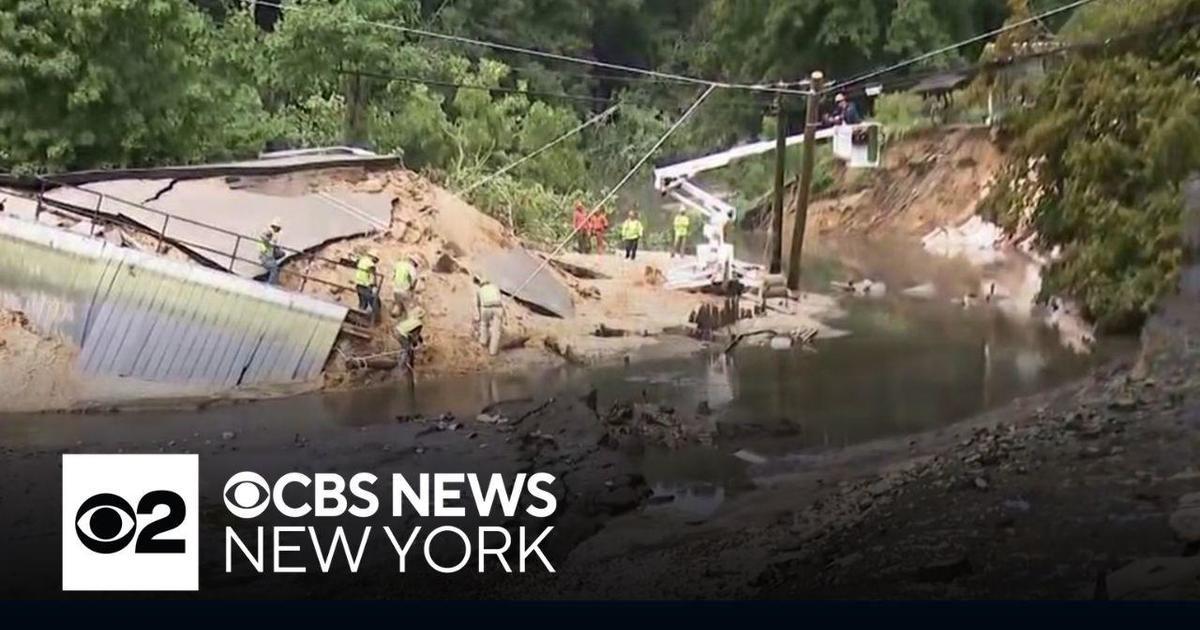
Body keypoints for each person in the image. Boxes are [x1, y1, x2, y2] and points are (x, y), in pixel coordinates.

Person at [475, 277, 504, 356]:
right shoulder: (495, 287)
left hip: (486, 308)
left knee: (484, 324)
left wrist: (480, 315)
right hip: (498, 307)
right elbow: (500, 298)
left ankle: (483, 342)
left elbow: (478, 304)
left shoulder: (479, 290)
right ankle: (493, 352)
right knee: (496, 331)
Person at [393, 306, 425, 374]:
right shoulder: (419, 324)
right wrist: (416, 344)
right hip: (401, 334)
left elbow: (414, 333)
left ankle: (403, 361)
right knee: (407, 350)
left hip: (397, 330)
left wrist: (420, 340)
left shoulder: (412, 319)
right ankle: (401, 366)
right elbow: (415, 336)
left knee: (406, 348)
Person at [391, 253, 420, 318]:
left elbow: (393, 275)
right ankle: (409, 323)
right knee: (409, 308)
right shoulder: (411, 267)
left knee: (398, 303)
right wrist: (412, 288)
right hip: (405, 290)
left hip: (395, 289)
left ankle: (395, 314)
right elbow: (414, 279)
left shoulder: (398, 264)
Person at [258, 217, 283, 285]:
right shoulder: (269, 232)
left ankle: (271, 281)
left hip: (267, 255)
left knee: (281, 254)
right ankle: (271, 284)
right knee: (274, 269)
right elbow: (263, 238)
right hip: (266, 256)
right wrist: (270, 242)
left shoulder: (272, 233)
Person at [354, 250, 380, 314]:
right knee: (375, 304)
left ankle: (358, 318)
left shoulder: (362, 260)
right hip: (366, 285)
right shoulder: (371, 264)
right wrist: (374, 286)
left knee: (362, 304)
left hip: (358, 284)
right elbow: (372, 276)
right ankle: (376, 320)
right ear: (373, 257)